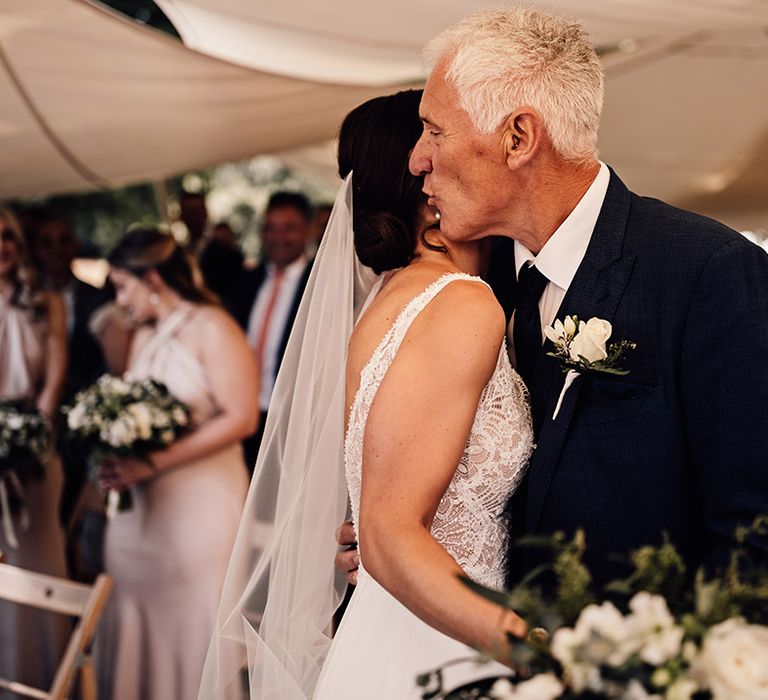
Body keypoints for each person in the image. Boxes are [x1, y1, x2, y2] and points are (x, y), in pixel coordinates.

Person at [337, 7, 768, 589]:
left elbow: (753, 531)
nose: (417, 160)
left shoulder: (706, 272)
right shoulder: (472, 290)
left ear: (518, 138)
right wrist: (402, 545)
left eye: (435, 131)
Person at [199, 89, 534, 700]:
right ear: (423, 174)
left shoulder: (390, 298)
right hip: (450, 643)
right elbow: (390, 528)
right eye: (436, 138)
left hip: (399, 624)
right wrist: (531, 650)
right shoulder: (459, 302)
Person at [95, 228, 258, 700]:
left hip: (199, 511)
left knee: (194, 621)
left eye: (123, 286)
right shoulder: (142, 334)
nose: (119, 299)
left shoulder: (213, 326)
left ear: (152, 278)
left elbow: (242, 416)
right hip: (139, 519)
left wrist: (152, 464)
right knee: (132, 614)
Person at [0, 207, 69, 692]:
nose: (1, 245)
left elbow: (53, 379)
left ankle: (41, 678)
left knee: (35, 558)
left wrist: (28, 444)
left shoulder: (46, 303)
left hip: (33, 447)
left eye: (7, 235)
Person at [229, 191, 314, 467]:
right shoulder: (244, 282)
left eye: (288, 229)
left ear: (307, 230)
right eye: (270, 229)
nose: (278, 238)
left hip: (292, 419)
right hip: (243, 413)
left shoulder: (318, 285)